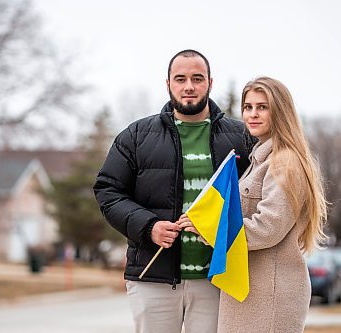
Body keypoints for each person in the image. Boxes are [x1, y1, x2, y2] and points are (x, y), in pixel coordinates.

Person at [93, 49, 254, 333]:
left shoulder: (241, 137)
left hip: (216, 279)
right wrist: (149, 226)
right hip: (153, 278)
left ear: (210, 83)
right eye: (180, 79)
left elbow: (261, 196)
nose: (188, 86)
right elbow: (108, 191)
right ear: (168, 84)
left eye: (197, 78)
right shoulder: (136, 136)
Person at [216, 77, 328, 332]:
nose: (252, 114)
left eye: (262, 107)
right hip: (251, 289)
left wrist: (211, 230)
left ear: (280, 111)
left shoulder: (285, 161)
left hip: (271, 294)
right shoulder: (259, 160)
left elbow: (267, 227)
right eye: (248, 107)